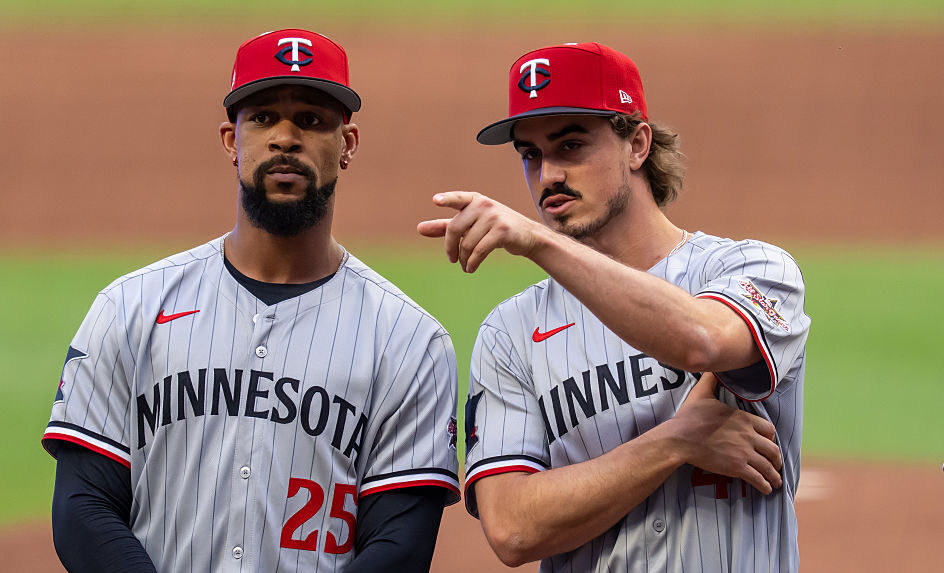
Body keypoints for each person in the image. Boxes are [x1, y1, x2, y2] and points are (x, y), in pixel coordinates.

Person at [43, 29, 460, 573]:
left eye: (311, 119)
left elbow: (400, 544)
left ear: (348, 143)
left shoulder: (409, 341)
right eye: (263, 117)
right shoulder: (130, 308)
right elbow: (83, 507)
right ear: (230, 140)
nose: (286, 138)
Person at [418, 41, 809, 572]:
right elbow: (512, 529)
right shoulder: (510, 333)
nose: (548, 175)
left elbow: (704, 340)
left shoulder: (753, 270)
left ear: (637, 144)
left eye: (571, 145)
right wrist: (675, 442)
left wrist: (539, 242)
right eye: (531, 155)